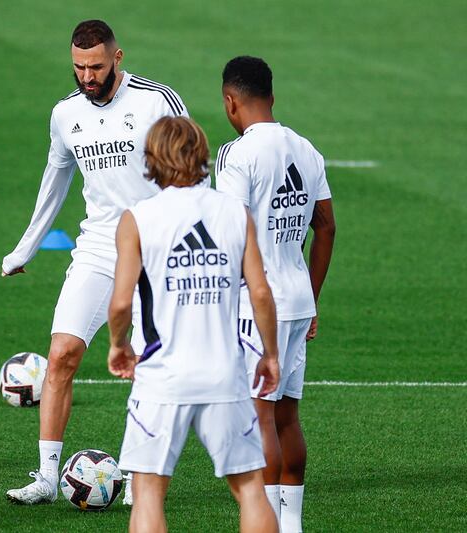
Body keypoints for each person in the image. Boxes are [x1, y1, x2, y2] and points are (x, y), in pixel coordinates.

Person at [2, 19, 189, 505]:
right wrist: (26, 247)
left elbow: (191, 169)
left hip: (157, 250)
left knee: (147, 366)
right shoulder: (65, 114)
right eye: (79, 67)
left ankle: (139, 477)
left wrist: (196, 240)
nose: (87, 76)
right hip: (99, 247)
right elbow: (55, 181)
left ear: (118, 58)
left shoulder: (155, 100)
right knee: (62, 353)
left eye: (96, 67)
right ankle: (46, 476)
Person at [108, 115, 279, 533]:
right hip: (225, 375)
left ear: (151, 159)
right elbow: (259, 293)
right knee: (250, 489)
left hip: (162, 377)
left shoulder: (138, 218)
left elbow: (120, 303)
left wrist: (118, 344)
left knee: (148, 492)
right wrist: (271, 354)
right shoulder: (235, 213)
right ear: (201, 154)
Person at [215, 56, 336, 532]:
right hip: (297, 299)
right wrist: (313, 298)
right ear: (272, 96)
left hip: (255, 306)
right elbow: (325, 227)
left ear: (230, 102)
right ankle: (292, 525)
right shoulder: (307, 150)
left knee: (258, 419)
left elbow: (229, 236)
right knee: (287, 417)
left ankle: (261, 523)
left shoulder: (235, 155)